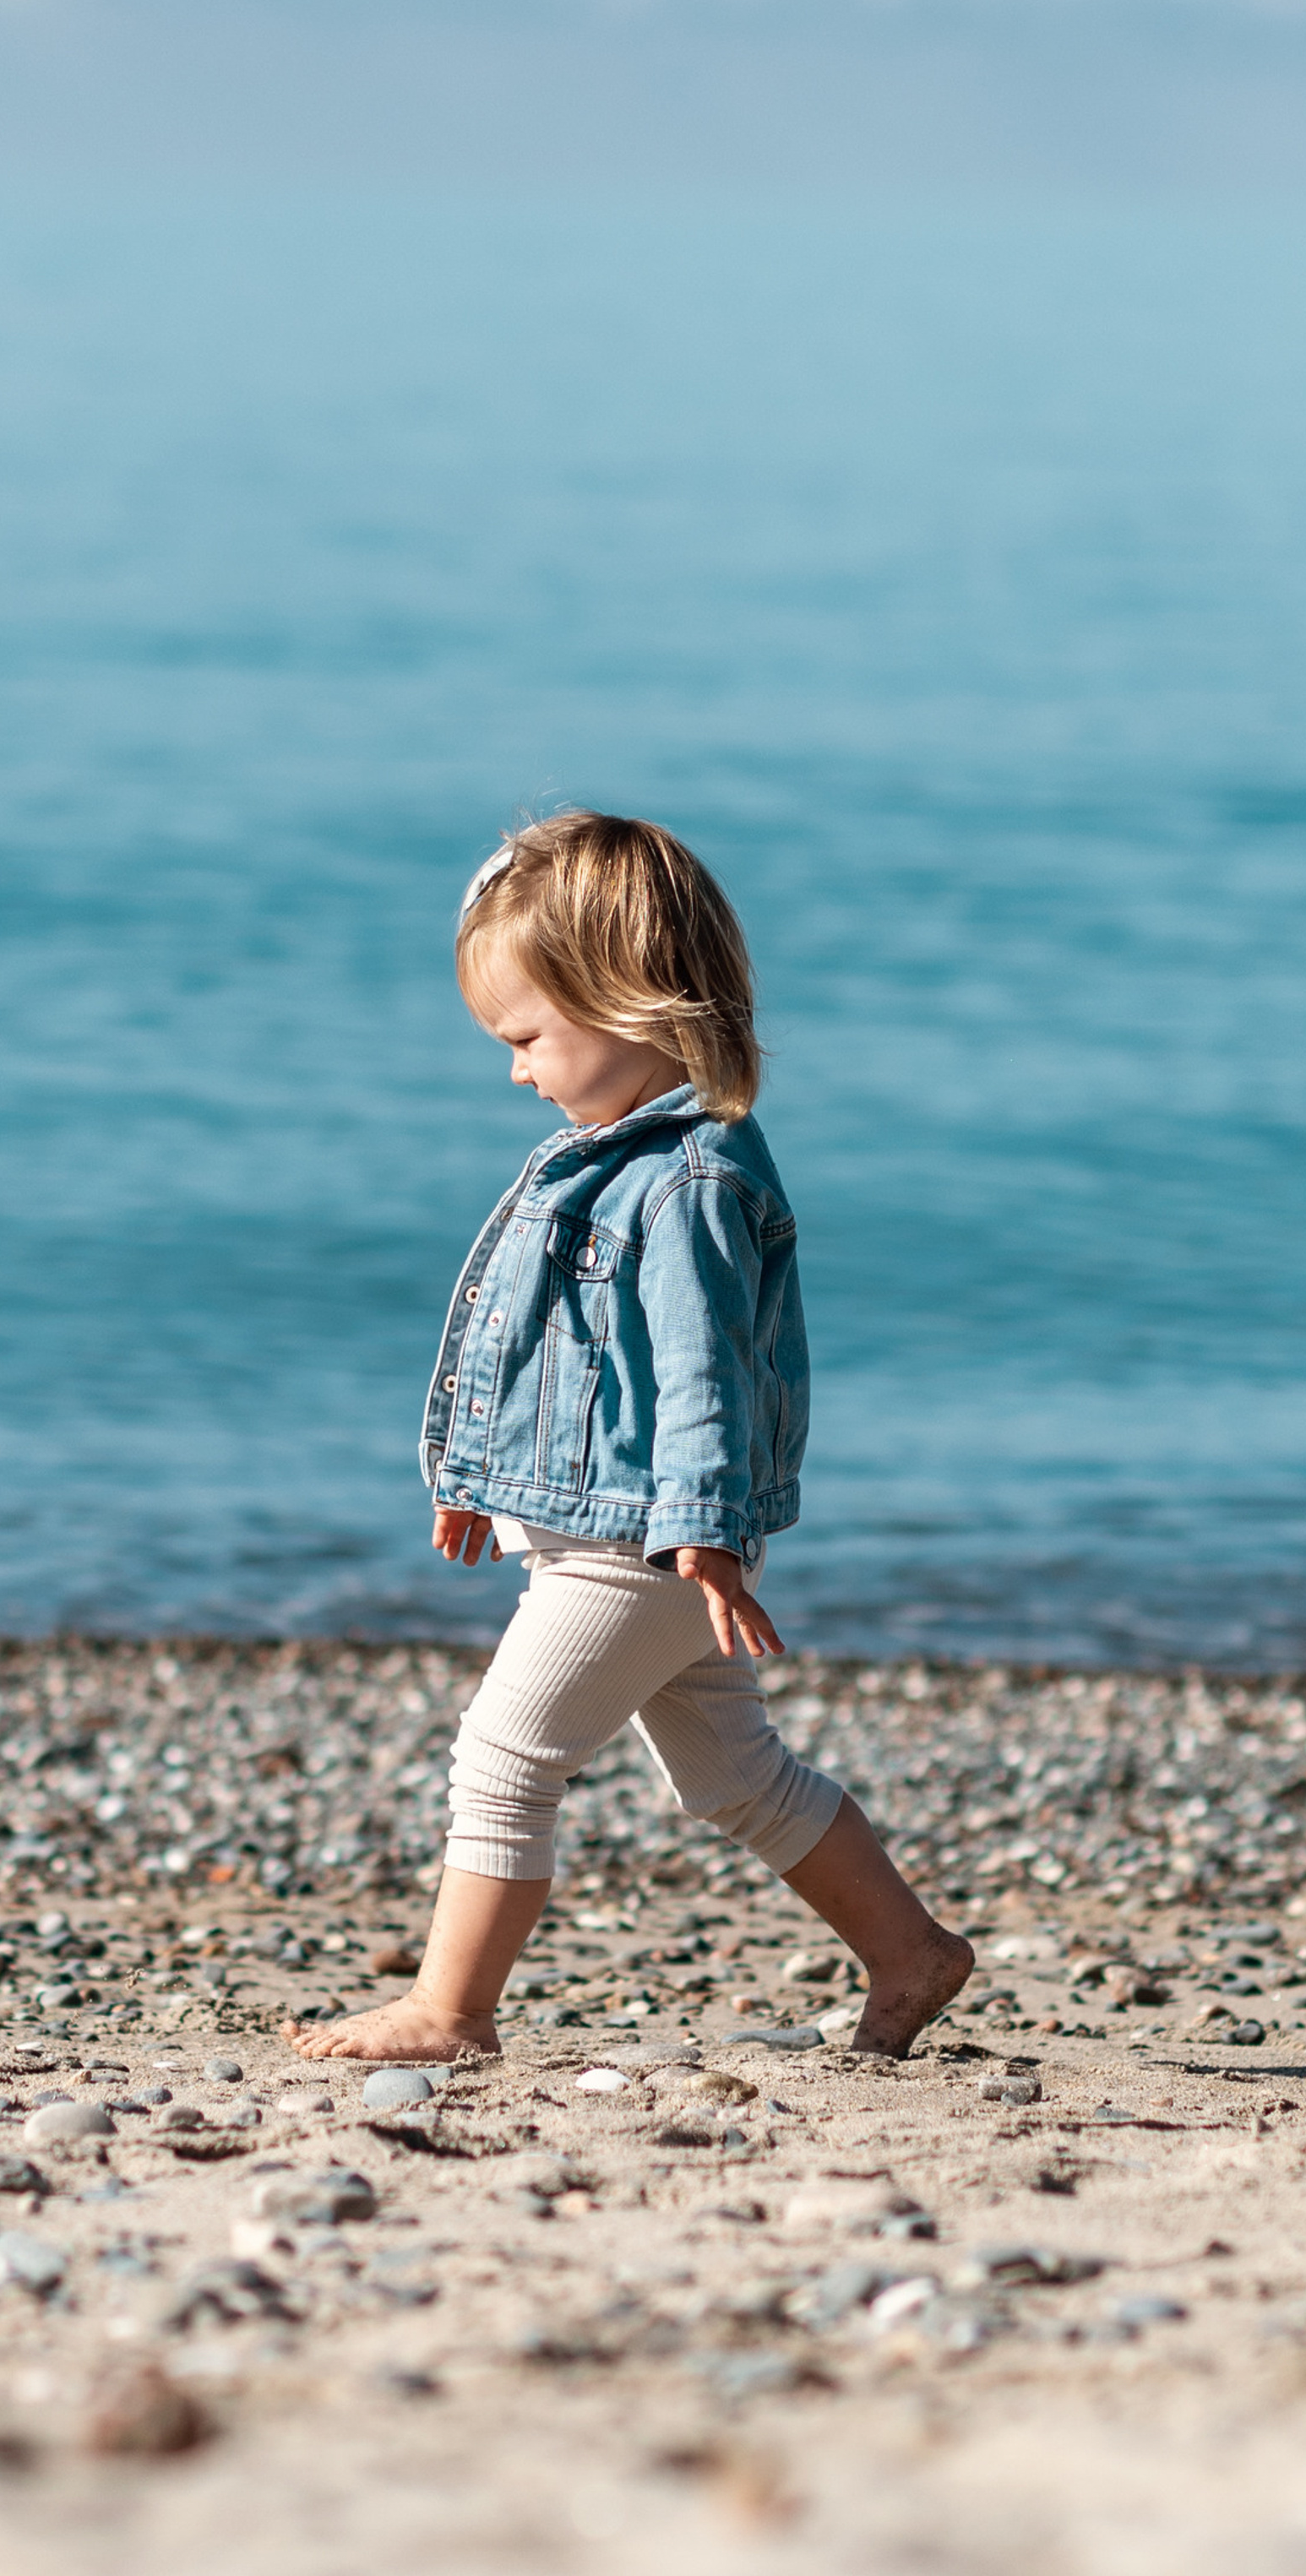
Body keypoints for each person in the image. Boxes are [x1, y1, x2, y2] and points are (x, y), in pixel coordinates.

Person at [287, 809, 972, 2066]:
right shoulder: (601, 1158)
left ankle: (452, 2011)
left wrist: (702, 1536)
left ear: (635, 1004)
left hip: (645, 1547)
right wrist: (482, 1485)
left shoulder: (693, 1182)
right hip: (600, 1532)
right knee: (736, 1779)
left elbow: (705, 1372)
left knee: (503, 1752)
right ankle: (912, 1953)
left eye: (528, 1037)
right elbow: (555, 1355)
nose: (515, 1069)